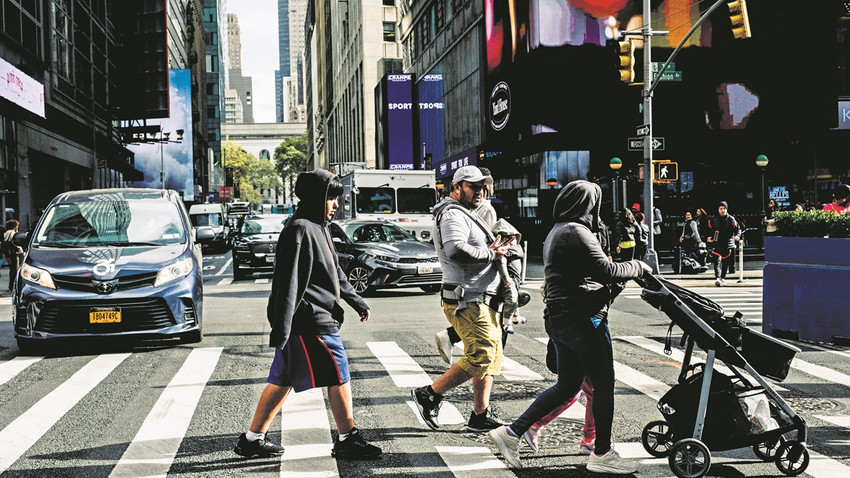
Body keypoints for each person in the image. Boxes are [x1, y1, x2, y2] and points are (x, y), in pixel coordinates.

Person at [487, 180, 651, 473]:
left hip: (560, 318)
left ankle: (512, 433)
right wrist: (638, 266)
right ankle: (601, 453)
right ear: (590, 205)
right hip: (584, 318)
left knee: (568, 385)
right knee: (603, 385)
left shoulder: (557, 231)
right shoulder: (577, 231)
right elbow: (607, 270)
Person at [234, 170, 381, 460]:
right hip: (310, 320)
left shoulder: (320, 226)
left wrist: (356, 300)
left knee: (282, 378)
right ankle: (347, 438)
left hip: (313, 318)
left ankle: (252, 439)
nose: (335, 203)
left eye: (337, 197)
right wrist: (282, 328)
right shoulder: (298, 229)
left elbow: (335, 271)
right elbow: (288, 282)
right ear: (316, 197)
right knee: (338, 373)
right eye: (330, 197)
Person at [412, 165, 512, 432]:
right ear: (456, 188)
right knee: (482, 355)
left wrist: (493, 249)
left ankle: (480, 415)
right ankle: (430, 394)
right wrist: (492, 255)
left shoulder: (466, 213)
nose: (479, 191)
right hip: (467, 298)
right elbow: (455, 249)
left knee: (489, 355)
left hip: (480, 296)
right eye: (472, 186)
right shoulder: (452, 214)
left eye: (482, 187)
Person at [491, 218, 523, 334]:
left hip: (515, 279)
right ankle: (507, 322)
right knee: (512, 298)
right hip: (508, 280)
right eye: (514, 239)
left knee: (516, 297)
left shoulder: (514, 250)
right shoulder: (503, 252)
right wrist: (507, 279)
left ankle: (516, 316)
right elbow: (502, 265)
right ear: (505, 239)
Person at [707, 201, 740, 287]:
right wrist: (708, 238)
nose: (722, 210)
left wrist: (737, 236)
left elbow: (738, 229)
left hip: (727, 243)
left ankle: (723, 278)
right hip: (716, 243)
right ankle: (718, 278)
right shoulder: (712, 219)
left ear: (727, 209)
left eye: (724, 209)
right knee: (717, 261)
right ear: (718, 210)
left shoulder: (732, 219)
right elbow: (708, 230)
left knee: (725, 262)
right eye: (721, 209)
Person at [2, 220, 23, 291]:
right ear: (15, 226)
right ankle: (13, 286)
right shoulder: (13, 233)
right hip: (14, 253)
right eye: (17, 225)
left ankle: (10, 286)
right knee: (15, 270)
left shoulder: (5, 233)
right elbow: (14, 243)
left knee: (12, 270)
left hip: (8, 253)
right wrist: (18, 248)